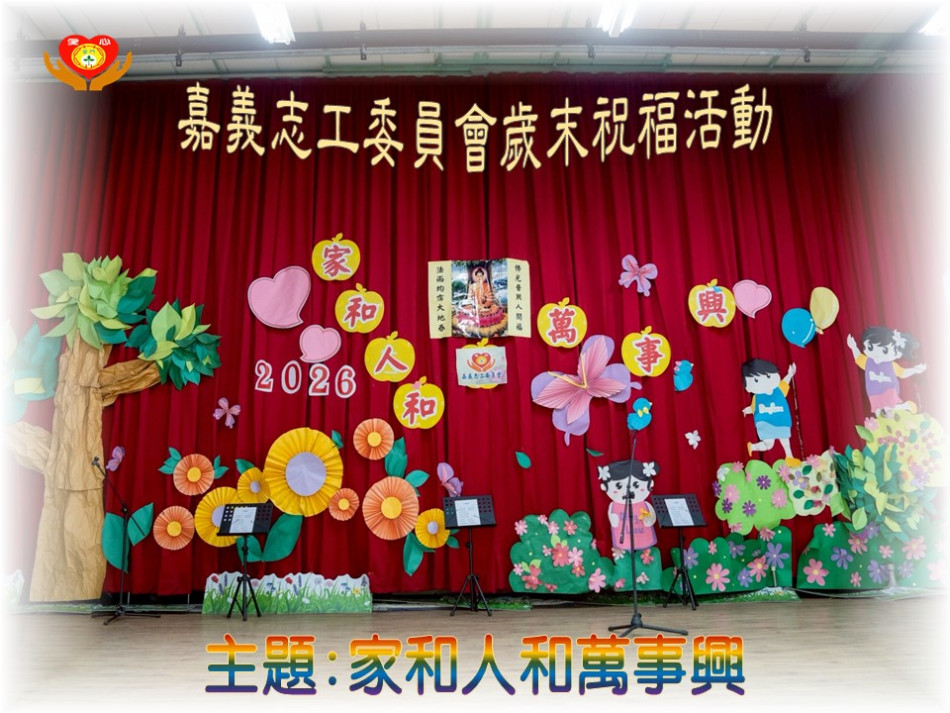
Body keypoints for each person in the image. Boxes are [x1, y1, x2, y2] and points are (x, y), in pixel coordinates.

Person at [847, 327, 926, 414]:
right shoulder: (868, 362)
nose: (877, 354)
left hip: (888, 390)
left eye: (884, 350)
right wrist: (853, 347)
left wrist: (915, 370)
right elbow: (858, 358)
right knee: (878, 412)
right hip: (873, 393)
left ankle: (906, 406)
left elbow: (902, 373)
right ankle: (902, 409)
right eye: (870, 347)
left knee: (889, 408)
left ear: (896, 353)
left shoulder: (890, 365)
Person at [741, 358, 799, 464]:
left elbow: (785, 382)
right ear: (748, 387)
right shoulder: (757, 397)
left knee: (785, 441)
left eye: (768, 376)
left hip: (781, 421)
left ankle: (789, 457)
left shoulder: (778, 391)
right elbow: (753, 408)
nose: (764, 382)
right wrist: (746, 410)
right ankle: (753, 447)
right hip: (765, 423)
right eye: (756, 380)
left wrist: (790, 374)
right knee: (769, 444)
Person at [598, 459, 658, 556]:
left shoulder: (645, 505)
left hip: (644, 538)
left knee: (645, 556)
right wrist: (614, 519)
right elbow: (614, 521)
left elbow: (651, 519)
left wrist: (649, 520)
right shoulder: (614, 506)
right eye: (619, 486)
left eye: (636, 485)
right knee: (626, 557)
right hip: (623, 539)